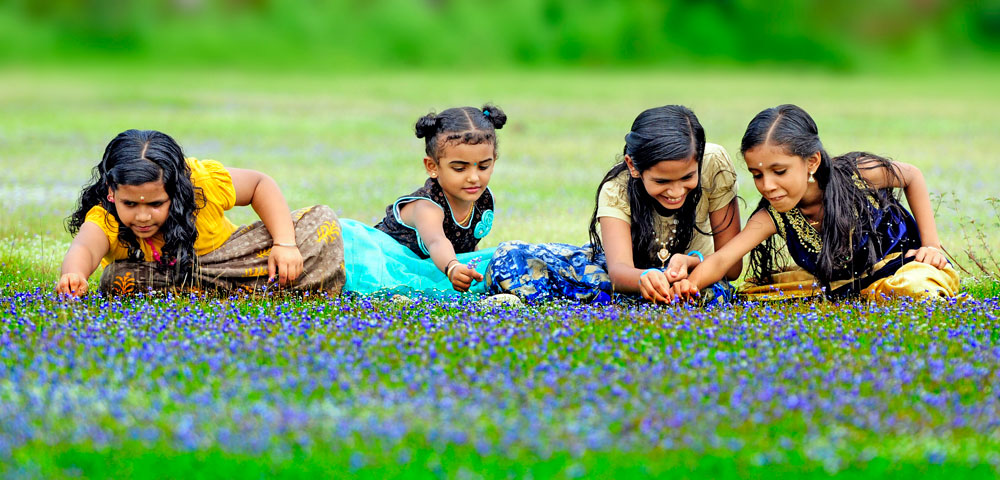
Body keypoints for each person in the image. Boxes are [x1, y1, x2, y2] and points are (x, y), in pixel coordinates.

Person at [671, 104, 959, 302]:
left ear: (812, 162)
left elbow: (912, 176)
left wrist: (931, 246)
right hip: (840, 282)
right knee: (757, 293)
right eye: (757, 174)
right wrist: (689, 286)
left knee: (914, 288)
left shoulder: (854, 175)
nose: (767, 186)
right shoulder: (773, 215)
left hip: (901, 264)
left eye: (779, 171)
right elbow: (723, 259)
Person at [487, 105, 742, 304]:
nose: (676, 191)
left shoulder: (713, 163)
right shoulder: (617, 187)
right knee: (510, 257)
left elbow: (731, 267)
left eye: (687, 177)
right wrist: (647, 278)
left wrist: (692, 263)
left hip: (697, 275)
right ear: (633, 166)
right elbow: (620, 272)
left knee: (713, 293)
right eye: (662, 181)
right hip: (631, 275)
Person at [57, 129, 344, 297]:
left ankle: (241, 287)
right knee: (116, 279)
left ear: (177, 188)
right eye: (130, 204)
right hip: (172, 277)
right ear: (111, 192)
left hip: (240, 258)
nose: (142, 217)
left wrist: (284, 244)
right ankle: (256, 290)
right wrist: (74, 274)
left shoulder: (201, 183)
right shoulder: (106, 217)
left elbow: (259, 184)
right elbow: (85, 246)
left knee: (319, 221)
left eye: (156, 204)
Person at [338, 104, 506, 295]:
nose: (474, 177)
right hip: (390, 263)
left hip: (435, 265)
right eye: (459, 168)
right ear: (432, 166)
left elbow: (467, 242)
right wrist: (452, 267)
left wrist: (467, 268)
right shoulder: (427, 206)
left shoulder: (482, 199)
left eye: (483, 166)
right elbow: (436, 241)